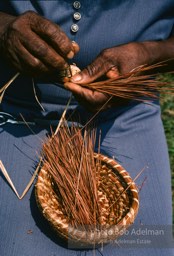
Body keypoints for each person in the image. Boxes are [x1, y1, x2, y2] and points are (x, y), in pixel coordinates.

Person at [0, 1, 173, 255]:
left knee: (150, 243)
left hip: (127, 107)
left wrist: (150, 54)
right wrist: (3, 29)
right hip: (16, 108)